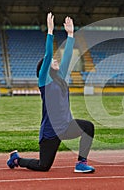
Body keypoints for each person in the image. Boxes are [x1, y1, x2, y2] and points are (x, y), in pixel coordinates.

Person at [7, 12, 95, 173]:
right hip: (50, 132)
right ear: (44, 68)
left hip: (67, 126)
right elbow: (48, 56)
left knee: (88, 127)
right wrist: (50, 31)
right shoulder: (44, 82)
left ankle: (81, 163)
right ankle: (16, 159)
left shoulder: (60, 78)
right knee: (43, 166)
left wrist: (70, 35)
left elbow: (68, 57)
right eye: (53, 61)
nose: (56, 60)